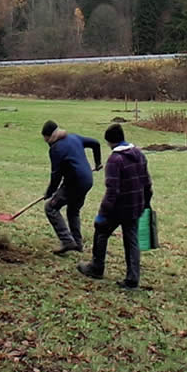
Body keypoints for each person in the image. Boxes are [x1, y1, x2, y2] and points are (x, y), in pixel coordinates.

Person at [78, 123, 153, 289]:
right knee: (131, 240)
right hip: (136, 205)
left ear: (110, 142)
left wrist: (102, 214)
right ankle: (132, 279)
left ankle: (96, 267)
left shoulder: (114, 160)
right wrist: (146, 203)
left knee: (101, 230)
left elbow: (112, 191)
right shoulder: (139, 154)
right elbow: (147, 182)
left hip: (119, 207)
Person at [40, 120, 103, 256]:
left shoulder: (55, 149)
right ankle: (77, 243)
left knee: (50, 208)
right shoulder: (74, 138)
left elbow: (56, 175)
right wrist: (98, 163)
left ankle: (67, 241)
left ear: (49, 136)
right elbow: (96, 143)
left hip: (74, 183)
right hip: (87, 180)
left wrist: (49, 192)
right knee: (73, 210)